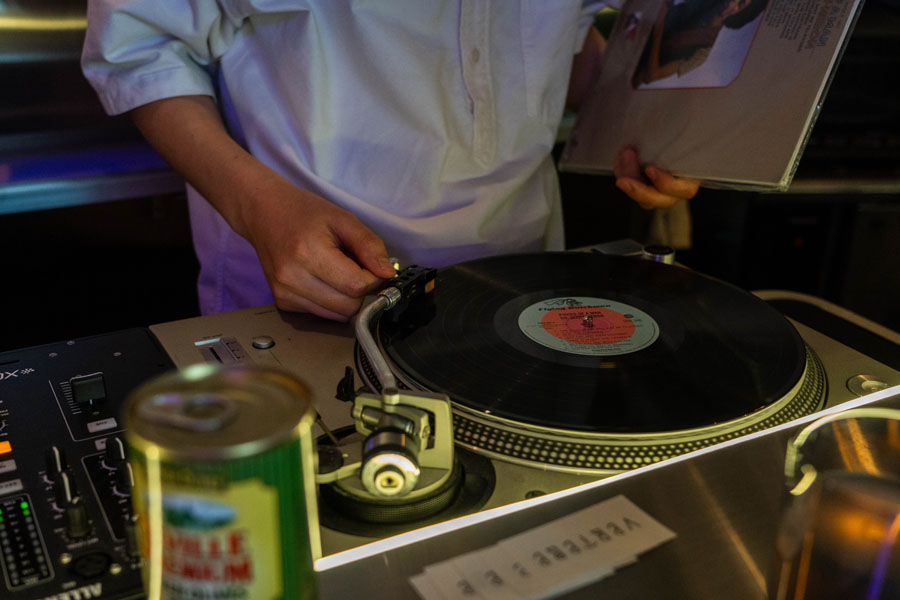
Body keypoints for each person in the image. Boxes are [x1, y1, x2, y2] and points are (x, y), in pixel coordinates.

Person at [82, 1, 698, 322]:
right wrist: (258, 208)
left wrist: (655, 130)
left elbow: (550, 43)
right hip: (306, 287)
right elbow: (143, 50)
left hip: (523, 283)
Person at [632, 0, 769, 86]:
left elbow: (652, 75)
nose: (732, 2)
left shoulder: (703, 52)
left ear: (741, 13)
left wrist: (657, 30)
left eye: (741, 4)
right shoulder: (702, 4)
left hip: (631, 61)